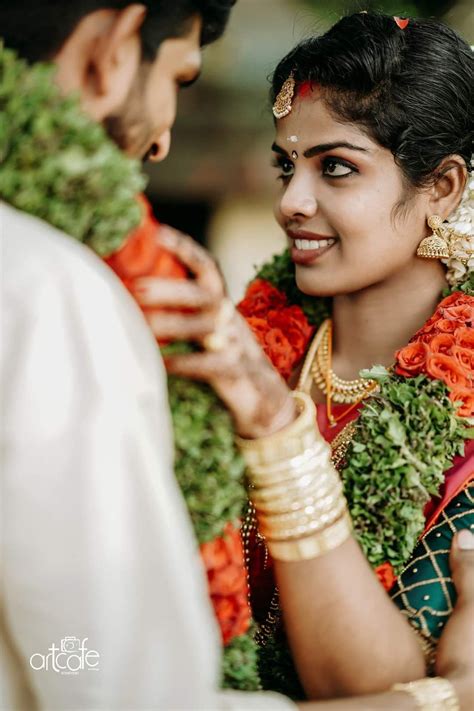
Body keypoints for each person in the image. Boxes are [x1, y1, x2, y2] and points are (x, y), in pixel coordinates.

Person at [1, 4, 472, 710]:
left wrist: (277, 431)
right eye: (287, 166)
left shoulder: (461, 418)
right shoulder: (232, 345)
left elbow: (377, 684)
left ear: (442, 188)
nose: (292, 201)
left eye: (336, 167)